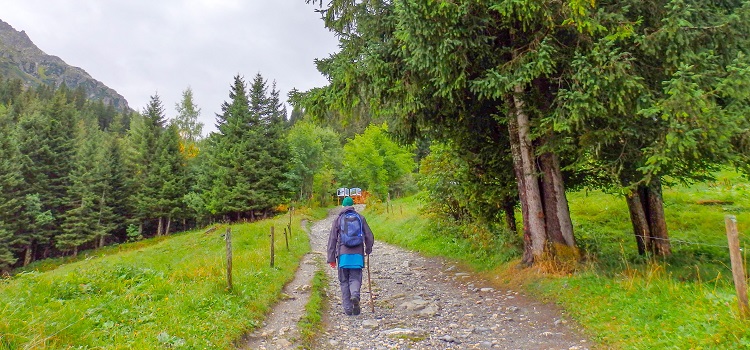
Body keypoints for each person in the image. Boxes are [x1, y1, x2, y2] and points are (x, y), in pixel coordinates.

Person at [327, 196, 374, 316]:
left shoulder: (338, 219)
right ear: (353, 206)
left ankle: (348, 309)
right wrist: (368, 249)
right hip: (357, 255)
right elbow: (369, 236)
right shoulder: (360, 218)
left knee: (344, 281)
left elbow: (332, 239)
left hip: (343, 256)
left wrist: (331, 258)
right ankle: (355, 295)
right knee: (355, 278)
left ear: (343, 206)